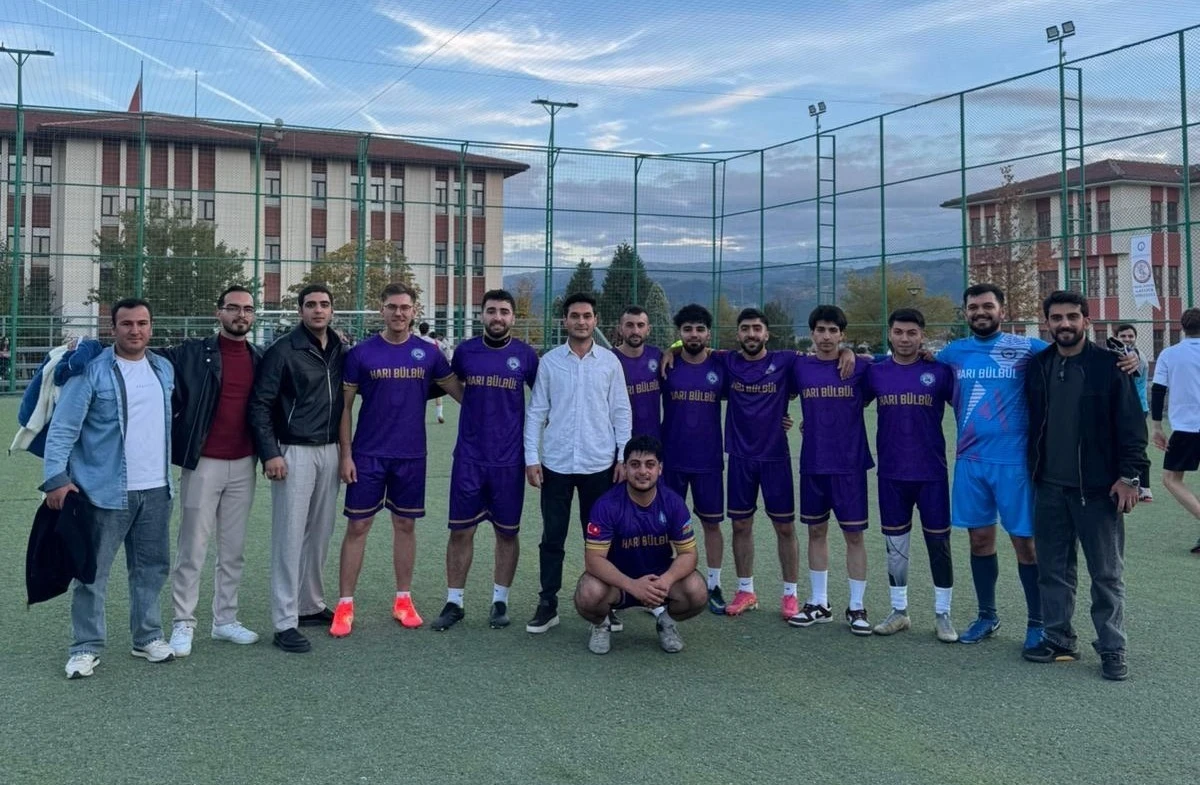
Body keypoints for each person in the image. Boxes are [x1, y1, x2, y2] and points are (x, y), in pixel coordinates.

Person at [42, 298, 176, 678]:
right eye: (127, 324)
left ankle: (147, 637)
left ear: (151, 327)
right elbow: (63, 428)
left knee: (151, 568)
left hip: (156, 489)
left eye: (142, 323)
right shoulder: (91, 371)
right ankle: (85, 647)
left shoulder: (163, 369)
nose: (135, 330)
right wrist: (56, 478)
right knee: (92, 572)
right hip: (103, 491)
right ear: (112, 328)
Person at [1023, 290, 1147, 681]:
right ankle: (1059, 638)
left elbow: (1132, 425)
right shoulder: (1038, 365)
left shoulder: (1111, 365)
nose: (1064, 324)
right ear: (1047, 323)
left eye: (1072, 316)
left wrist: (1130, 477)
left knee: (1106, 575)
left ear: (1086, 321)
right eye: (1057, 317)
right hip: (1049, 487)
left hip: (1098, 490)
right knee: (1052, 570)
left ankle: (1112, 648)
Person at [331, 284, 463, 637]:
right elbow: (345, 408)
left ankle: (403, 600)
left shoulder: (429, 353)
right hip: (368, 454)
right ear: (382, 310)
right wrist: (346, 454)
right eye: (392, 307)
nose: (399, 313)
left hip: (411, 455)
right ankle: (345, 605)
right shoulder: (361, 353)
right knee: (358, 526)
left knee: (405, 525)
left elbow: (462, 394)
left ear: (414, 311)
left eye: (405, 307)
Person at [937, 284, 1045, 649]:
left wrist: (1131, 361)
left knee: (1025, 543)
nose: (980, 312)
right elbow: (908, 361)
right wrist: (849, 354)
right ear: (965, 312)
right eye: (973, 307)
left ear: (1002, 309)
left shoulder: (1026, 347)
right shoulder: (953, 352)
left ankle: (1038, 622)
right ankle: (987, 616)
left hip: (1013, 463)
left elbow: (1073, 354)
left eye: (987, 306)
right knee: (979, 539)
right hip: (970, 461)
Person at [162, 285, 263, 657]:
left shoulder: (260, 357)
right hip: (203, 463)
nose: (241, 315)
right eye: (233, 308)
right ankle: (183, 623)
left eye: (247, 309)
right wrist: (87, 348)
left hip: (245, 464)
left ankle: (225, 620)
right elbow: (142, 355)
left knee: (233, 550)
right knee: (192, 548)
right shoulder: (192, 353)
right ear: (218, 312)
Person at [523, 292, 632, 634]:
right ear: (565, 321)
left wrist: (622, 456)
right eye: (575, 316)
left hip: (599, 466)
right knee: (552, 538)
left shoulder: (610, 362)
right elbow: (536, 411)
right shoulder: (550, 362)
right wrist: (532, 458)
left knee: (599, 541)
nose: (581, 321)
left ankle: (605, 603)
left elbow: (621, 412)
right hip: (556, 465)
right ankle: (548, 604)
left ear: (595, 321)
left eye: (587, 316)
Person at [430, 290, 537, 631]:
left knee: (507, 533)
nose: (497, 317)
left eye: (504, 311)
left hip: (509, 460)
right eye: (491, 311)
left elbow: (543, 401)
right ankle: (454, 601)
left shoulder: (526, 355)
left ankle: (500, 601)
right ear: (481, 315)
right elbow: (449, 384)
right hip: (469, 458)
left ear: (513, 317)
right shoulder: (465, 352)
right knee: (461, 531)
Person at [249, 284, 346, 654]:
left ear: (332, 310)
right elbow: (260, 404)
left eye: (324, 304)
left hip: (330, 449)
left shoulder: (339, 349)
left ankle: (310, 604)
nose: (318, 310)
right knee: (289, 536)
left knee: (320, 532)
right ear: (300, 310)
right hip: (293, 450)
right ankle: (284, 621)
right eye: (311, 305)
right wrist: (270, 453)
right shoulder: (283, 350)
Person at [863, 308, 958, 642]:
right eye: (899, 332)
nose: (905, 339)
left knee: (939, 544)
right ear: (890, 334)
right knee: (895, 546)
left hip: (932, 473)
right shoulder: (875, 373)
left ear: (922, 335)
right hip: (891, 474)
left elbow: (967, 406)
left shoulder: (940, 372)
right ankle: (899, 611)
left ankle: (943, 614)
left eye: (912, 333)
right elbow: (846, 403)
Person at [575, 435, 707, 654]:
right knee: (588, 592)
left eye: (650, 464)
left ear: (660, 469)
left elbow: (688, 554)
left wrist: (665, 581)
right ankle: (601, 625)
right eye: (635, 465)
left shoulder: (673, 503)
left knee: (697, 590)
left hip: (659, 582)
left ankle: (666, 623)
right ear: (625, 468)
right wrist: (632, 585)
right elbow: (593, 560)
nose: (643, 471)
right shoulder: (607, 505)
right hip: (618, 584)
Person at [788, 305, 875, 635]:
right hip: (813, 462)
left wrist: (852, 353)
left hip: (850, 465)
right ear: (812, 333)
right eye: (821, 330)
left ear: (842, 335)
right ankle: (819, 603)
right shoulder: (799, 366)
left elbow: (894, 362)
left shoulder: (860, 367)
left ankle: (857, 606)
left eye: (833, 331)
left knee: (854, 535)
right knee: (816, 531)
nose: (826, 336)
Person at [718, 308, 800, 619]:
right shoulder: (727, 361)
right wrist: (672, 353)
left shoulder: (786, 361)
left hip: (775, 456)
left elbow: (823, 359)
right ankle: (745, 590)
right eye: (745, 328)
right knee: (740, 524)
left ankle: (790, 594)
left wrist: (847, 352)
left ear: (767, 333)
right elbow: (690, 351)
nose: (751, 334)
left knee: (785, 527)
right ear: (737, 334)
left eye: (756, 328)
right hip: (740, 457)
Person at [660, 304, 728, 613]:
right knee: (665, 525)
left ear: (708, 334)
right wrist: (670, 350)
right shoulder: (668, 365)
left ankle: (714, 585)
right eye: (687, 329)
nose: (694, 335)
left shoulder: (720, 366)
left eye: (700, 329)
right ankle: (662, 583)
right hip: (671, 458)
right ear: (680, 334)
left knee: (711, 524)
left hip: (708, 460)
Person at [1151, 308, 1200, 554]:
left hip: (1186, 428)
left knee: (1171, 479)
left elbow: (1158, 390)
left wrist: (1157, 426)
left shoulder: (1170, 354)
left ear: (1182, 328)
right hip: (1187, 427)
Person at [1115, 323, 1153, 502]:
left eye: (1130, 336)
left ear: (1135, 338)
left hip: (1136, 408)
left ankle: (1145, 488)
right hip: (1125, 408)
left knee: (1137, 448)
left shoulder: (1135, 357)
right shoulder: (1120, 355)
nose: (1127, 339)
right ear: (1116, 338)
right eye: (1123, 336)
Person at [614, 305, 663, 440]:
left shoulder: (658, 356)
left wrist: (673, 351)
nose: (635, 331)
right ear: (620, 329)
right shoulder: (610, 360)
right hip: (619, 440)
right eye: (629, 325)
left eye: (640, 325)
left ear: (648, 329)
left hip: (652, 439)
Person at [419, 321, 446, 424]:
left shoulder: (416, 341)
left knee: (419, 393)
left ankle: (420, 416)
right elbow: (444, 350)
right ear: (428, 330)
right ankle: (439, 414)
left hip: (420, 370)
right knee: (437, 392)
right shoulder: (435, 342)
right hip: (433, 369)